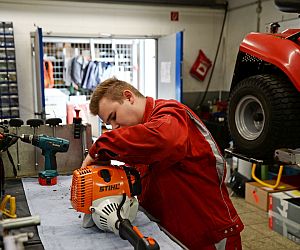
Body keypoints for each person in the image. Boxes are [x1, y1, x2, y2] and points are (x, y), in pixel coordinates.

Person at [81, 77, 244, 250]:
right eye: (109, 124)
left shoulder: (171, 113)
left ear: (129, 97)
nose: (114, 127)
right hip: (173, 234)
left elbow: (166, 140)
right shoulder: (137, 138)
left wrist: (100, 146)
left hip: (210, 235)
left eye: (114, 117)